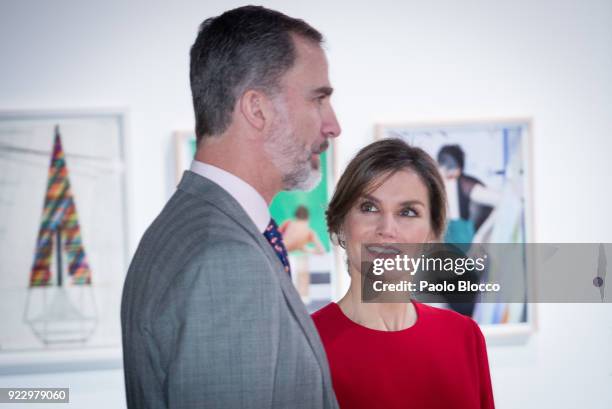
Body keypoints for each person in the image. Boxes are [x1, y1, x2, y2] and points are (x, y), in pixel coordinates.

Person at [121, 6, 341, 409]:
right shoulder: (227, 259)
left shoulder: (190, 226)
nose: (333, 125)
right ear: (257, 109)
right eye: (319, 99)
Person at [312, 139, 494, 409]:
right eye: (369, 208)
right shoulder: (307, 345)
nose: (387, 229)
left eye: (408, 212)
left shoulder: (464, 336)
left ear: (432, 234)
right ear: (339, 224)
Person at [279, 205, 326, 302]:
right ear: (308, 218)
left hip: (279, 256)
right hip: (289, 260)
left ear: (295, 216)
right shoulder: (309, 233)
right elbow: (321, 251)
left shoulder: (288, 223)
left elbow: (275, 239)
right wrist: (305, 249)